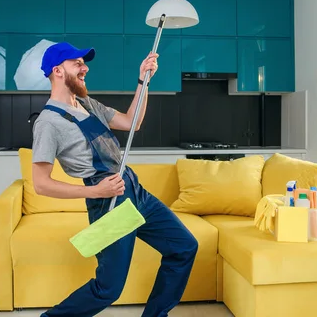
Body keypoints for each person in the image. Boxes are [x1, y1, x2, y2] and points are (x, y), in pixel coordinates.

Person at [31, 41, 198, 317]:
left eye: (84, 63)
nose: (85, 68)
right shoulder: (48, 122)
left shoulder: (87, 104)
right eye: (78, 63)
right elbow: (41, 183)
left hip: (133, 189)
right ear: (58, 71)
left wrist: (143, 81)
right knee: (108, 288)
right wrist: (96, 192)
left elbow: (132, 122)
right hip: (108, 202)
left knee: (184, 247)